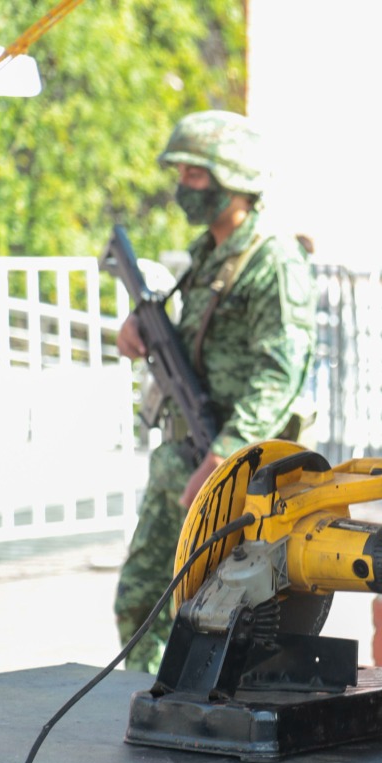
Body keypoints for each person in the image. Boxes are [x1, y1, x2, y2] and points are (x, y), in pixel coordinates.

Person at [115, 110, 318, 672]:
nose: (184, 187)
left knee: (224, 625)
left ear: (234, 180)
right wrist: (142, 328)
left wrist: (225, 454)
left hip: (234, 473)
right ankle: (146, 704)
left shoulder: (273, 261)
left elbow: (281, 372)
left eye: (197, 175)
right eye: (180, 173)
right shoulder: (210, 251)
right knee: (139, 604)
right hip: (182, 457)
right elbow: (197, 344)